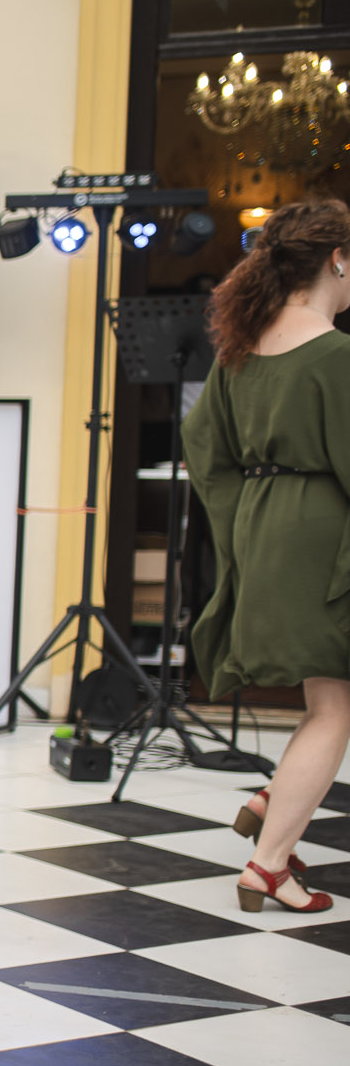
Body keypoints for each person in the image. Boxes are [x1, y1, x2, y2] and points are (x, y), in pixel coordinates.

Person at [181, 197, 350, 917]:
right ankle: (269, 865)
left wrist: (243, 526)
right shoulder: (336, 356)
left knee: (327, 700)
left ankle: (273, 800)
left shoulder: (241, 352)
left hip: (263, 524)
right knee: (333, 707)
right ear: (337, 260)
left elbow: (202, 447)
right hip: (323, 532)